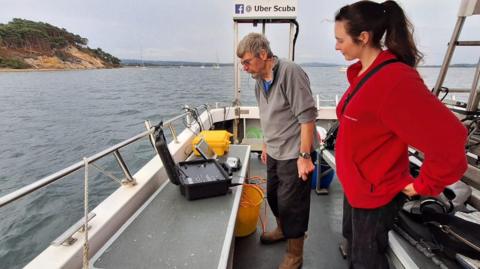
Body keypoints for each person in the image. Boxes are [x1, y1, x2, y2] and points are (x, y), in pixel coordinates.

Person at [333, 1, 468, 268]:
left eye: (340, 40)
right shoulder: (364, 73)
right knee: (355, 252)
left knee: (365, 262)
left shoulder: (395, 81)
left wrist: (422, 185)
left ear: (363, 37)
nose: (336, 46)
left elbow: (450, 138)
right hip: (357, 189)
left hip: (374, 197)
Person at [237, 32, 318, 269]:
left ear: (263, 54)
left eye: (247, 62)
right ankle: (283, 230)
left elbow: (307, 116)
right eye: (242, 63)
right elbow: (266, 115)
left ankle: (295, 254)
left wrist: (304, 156)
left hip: (295, 152)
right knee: (273, 196)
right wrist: (265, 143)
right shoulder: (258, 81)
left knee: (292, 204)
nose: (245, 68)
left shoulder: (290, 72)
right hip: (273, 149)